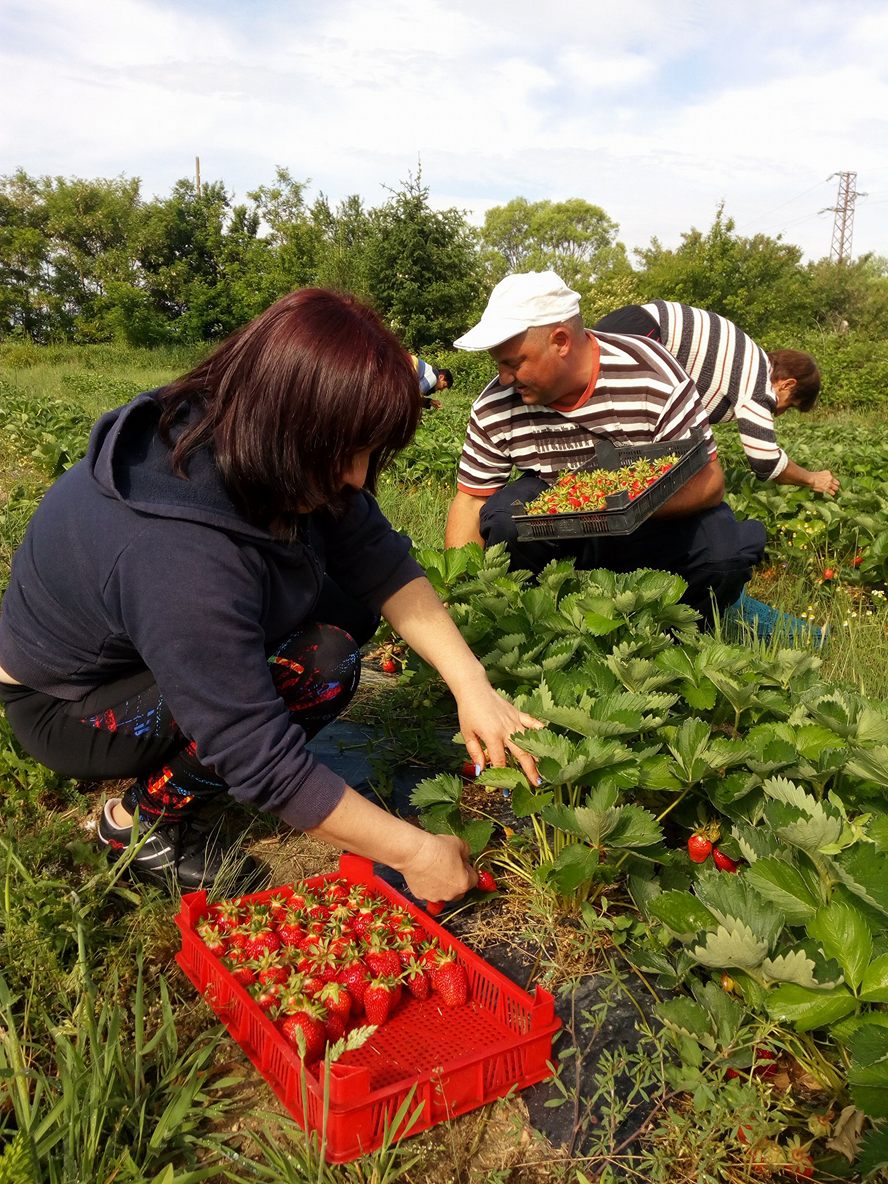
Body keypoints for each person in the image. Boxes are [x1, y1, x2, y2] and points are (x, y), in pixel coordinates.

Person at [0, 289, 541, 896]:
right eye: (347, 454)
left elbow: (380, 563)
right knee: (320, 666)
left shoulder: (256, 434)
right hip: (71, 708)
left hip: (153, 642)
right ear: (288, 422)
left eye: (367, 454)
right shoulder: (175, 549)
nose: (358, 478)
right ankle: (138, 824)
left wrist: (473, 686)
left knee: (349, 607)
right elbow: (256, 754)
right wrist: (416, 851)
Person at [444, 271, 766, 625]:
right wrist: (460, 598)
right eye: (498, 363)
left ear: (561, 341)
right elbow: (472, 499)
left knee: (725, 554)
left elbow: (709, 482)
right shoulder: (496, 406)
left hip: (649, 517)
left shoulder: (650, 374)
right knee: (505, 520)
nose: (504, 377)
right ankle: (536, 622)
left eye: (513, 363)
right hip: (558, 524)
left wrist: (622, 507)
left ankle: (675, 631)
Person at [592, 302, 838, 495]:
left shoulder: (749, 359)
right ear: (787, 384)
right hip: (643, 335)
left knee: (594, 418)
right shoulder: (757, 379)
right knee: (621, 438)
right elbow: (765, 461)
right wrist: (812, 478)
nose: (780, 413)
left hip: (633, 324)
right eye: (790, 405)